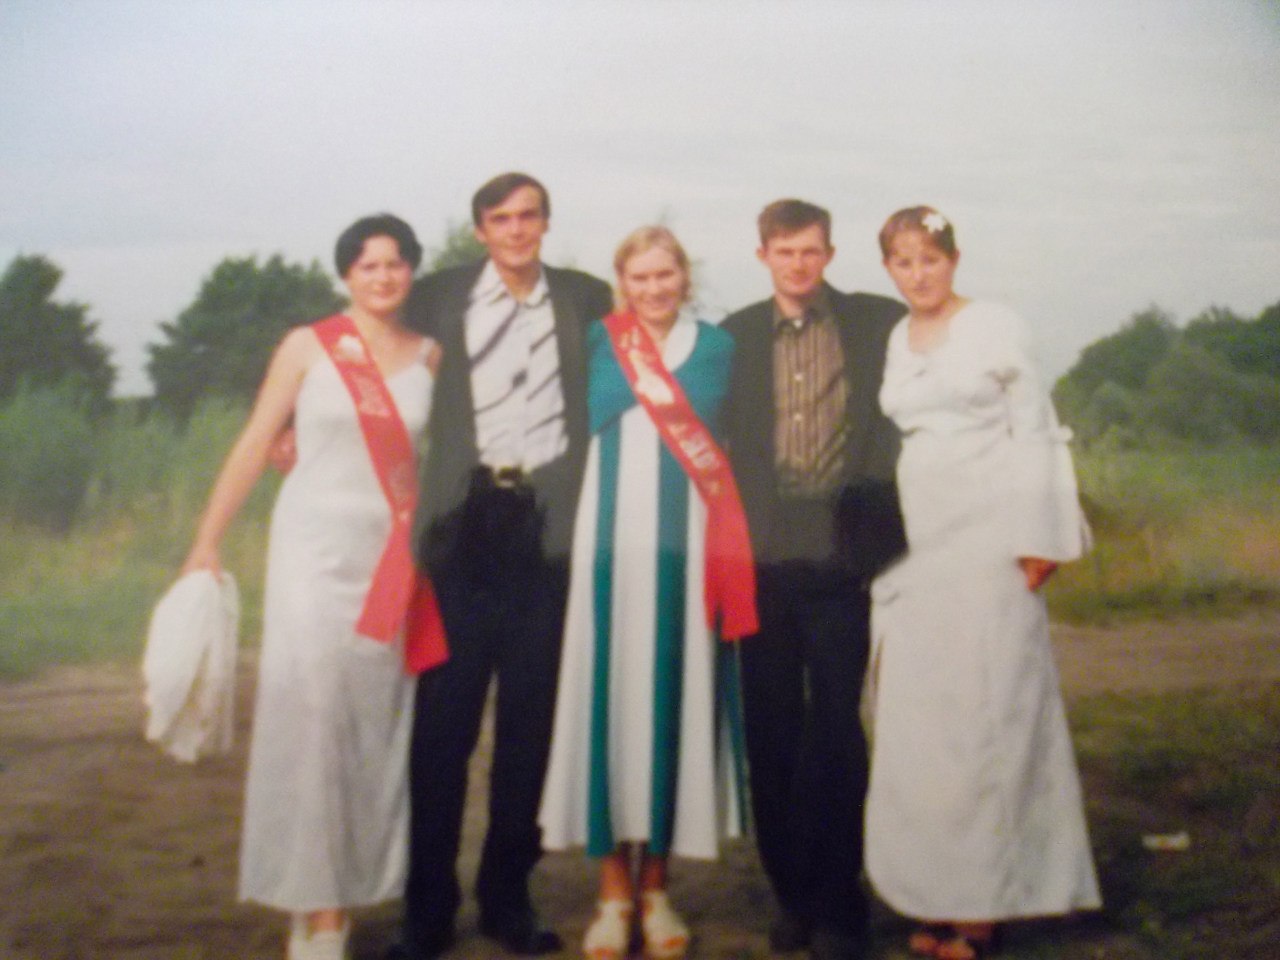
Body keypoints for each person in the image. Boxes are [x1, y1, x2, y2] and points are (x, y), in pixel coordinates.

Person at [182, 214, 438, 960]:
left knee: (370, 726)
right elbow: (256, 440)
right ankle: (319, 910)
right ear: (346, 274)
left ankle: (337, 893)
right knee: (313, 719)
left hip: (389, 560)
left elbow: (444, 457)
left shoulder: (432, 355)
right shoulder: (308, 345)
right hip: (312, 553)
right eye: (367, 265)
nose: (382, 276)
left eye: (395, 263)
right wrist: (206, 540)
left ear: (412, 271)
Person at [865, 206, 1100, 960]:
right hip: (923, 544)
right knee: (928, 726)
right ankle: (936, 894)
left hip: (993, 540)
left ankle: (986, 907)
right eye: (904, 262)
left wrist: (1040, 535)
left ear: (954, 260)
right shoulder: (898, 338)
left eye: (930, 258)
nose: (919, 274)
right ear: (889, 269)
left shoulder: (997, 325)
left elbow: (1036, 430)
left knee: (990, 717)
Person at [392, 173, 614, 960]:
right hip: (461, 525)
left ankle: (506, 898)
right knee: (442, 730)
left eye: (528, 216)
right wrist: (286, 421)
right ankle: (426, 908)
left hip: (547, 527)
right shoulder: (437, 296)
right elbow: (364, 345)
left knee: (530, 724)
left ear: (546, 223)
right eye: (501, 219)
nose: (516, 230)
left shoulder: (585, 297)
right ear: (481, 229)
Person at [538, 227, 757, 960]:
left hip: (688, 547)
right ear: (622, 283)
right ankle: (612, 892)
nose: (655, 288)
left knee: (672, 695)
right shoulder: (598, 342)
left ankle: (657, 888)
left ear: (684, 277)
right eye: (641, 277)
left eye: (666, 275)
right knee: (609, 696)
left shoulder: (719, 349)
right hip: (606, 544)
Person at [722, 200, 907, 960]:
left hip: (841, 548)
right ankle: (791, 894)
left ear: (829, 254)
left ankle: (839, 902)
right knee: (770, 729)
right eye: (784, 252)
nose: (798, 265)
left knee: (834, 727)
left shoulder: (876, 322)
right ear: (762, 255)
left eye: (810, 251)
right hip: (763, 556)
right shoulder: (734, 336)